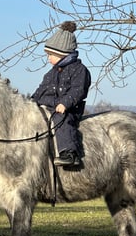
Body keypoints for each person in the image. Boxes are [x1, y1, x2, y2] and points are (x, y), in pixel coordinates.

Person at [31, 21, 91, 166]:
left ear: (62, 54)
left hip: (68, 109)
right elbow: (41, 90)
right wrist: (31, 102)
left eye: (51, 54)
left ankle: (69, 153)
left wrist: (65, 103)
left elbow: (79, 90)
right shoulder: (51, 73)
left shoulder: (79, 70)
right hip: (50, 106)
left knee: (61, 119)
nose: (48, 57)